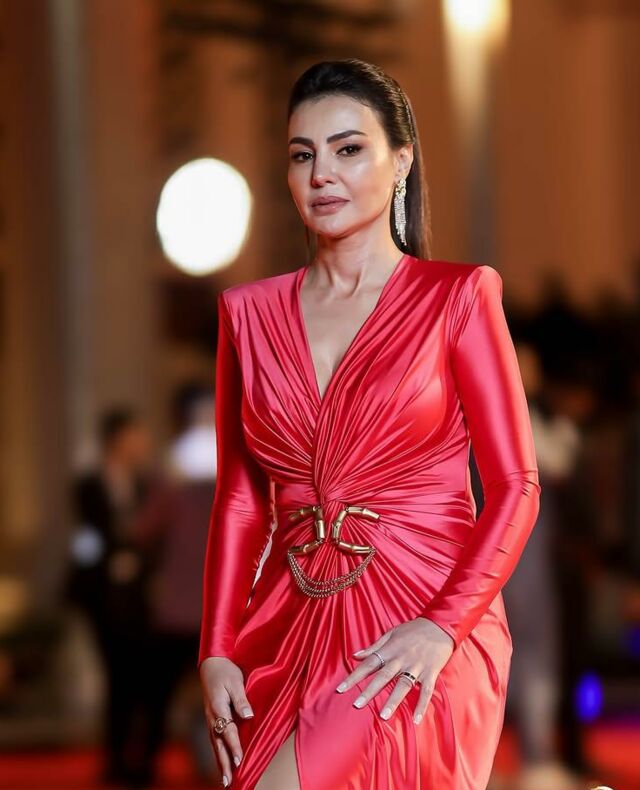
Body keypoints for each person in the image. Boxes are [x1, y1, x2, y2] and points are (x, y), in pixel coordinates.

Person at [198, 59, 541, 790]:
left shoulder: (458, 298)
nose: (322, 174)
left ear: (402, 162)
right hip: (285, 624)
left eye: (348, 149)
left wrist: (443, 625)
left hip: (418, 624)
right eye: (302, 155)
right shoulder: (247, 315)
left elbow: (516, 484)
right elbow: (241, 499)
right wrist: (217, 645)